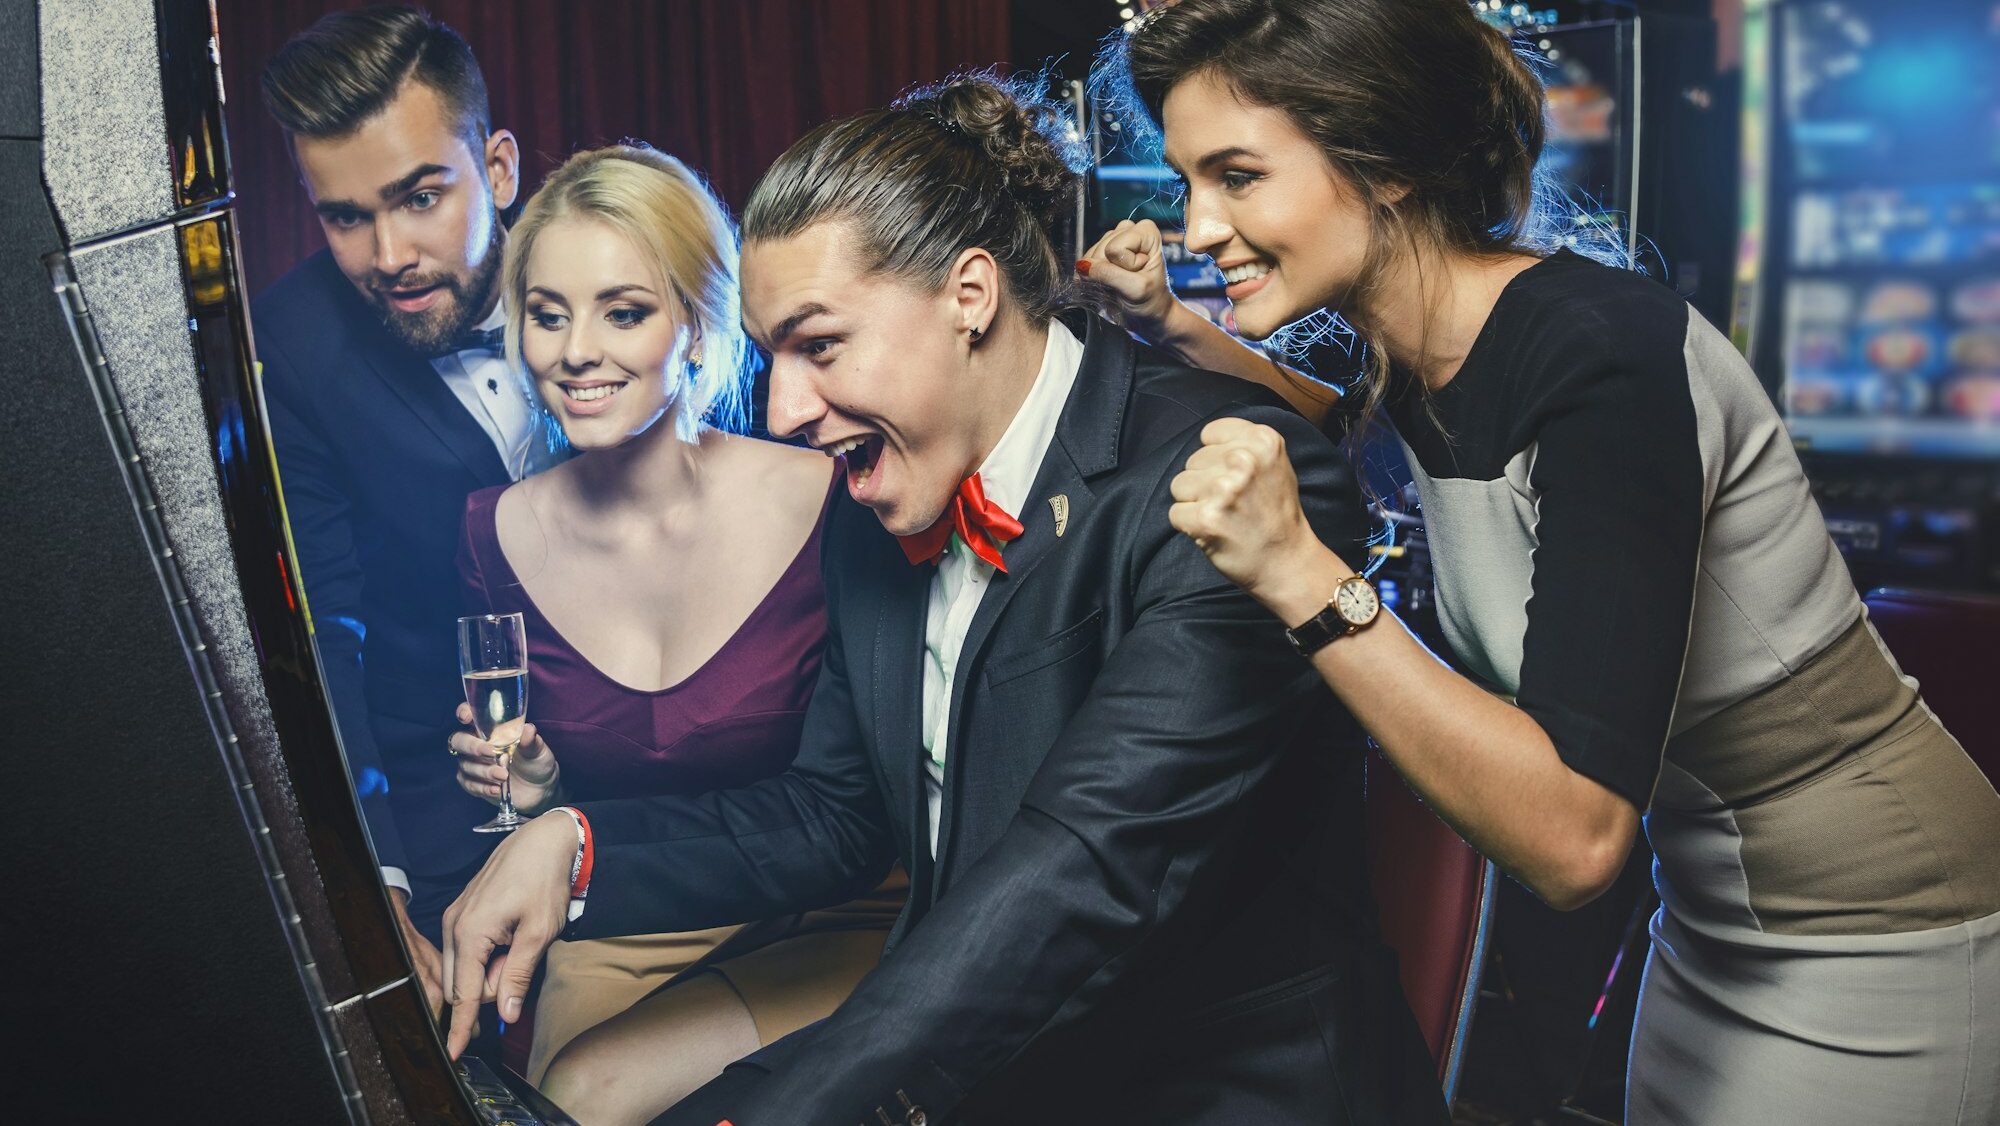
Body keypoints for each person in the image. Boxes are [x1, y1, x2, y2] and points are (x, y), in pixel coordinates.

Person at [441, 75, 1445, 1125]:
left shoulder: (1227, 478)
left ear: (968, 296)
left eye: (819, 345)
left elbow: (1079, 868)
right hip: (992, 1056)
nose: (784, 407)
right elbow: (831, 819)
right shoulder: (870, 504)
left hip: (1205, 1083)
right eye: (773, 353)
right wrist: (574, 843)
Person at [1084, 2, 2000, 1122]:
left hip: (1881, 936)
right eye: (1187, 183)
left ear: (1387, 163)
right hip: (1709, 923)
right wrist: (1169, 322)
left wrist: (1302, 579)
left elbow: (1572, 839)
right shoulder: (1420, 354)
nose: (1197, 224)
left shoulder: (1597, 354)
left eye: (1235, 175)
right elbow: (1352, 429)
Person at [445, 143, 903, 1120]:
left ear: (697, 324)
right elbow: (547, 821)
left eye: (622, 310)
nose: (575, 350)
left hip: (830, 908)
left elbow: (858, 806)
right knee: (553, 1101)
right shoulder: (493, 531)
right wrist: (542, 793)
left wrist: (567, 833)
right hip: (631, 915)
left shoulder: (830, 498)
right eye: (547, 312)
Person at [253, 5, 556, 1015]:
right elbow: (321, 634)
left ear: (498, 169)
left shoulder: (612, 264)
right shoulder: (293, 345)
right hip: (440, 814)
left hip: (661, 765)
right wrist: (369, 883)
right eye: (344, 216)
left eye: (420, 197)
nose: (388, 253)